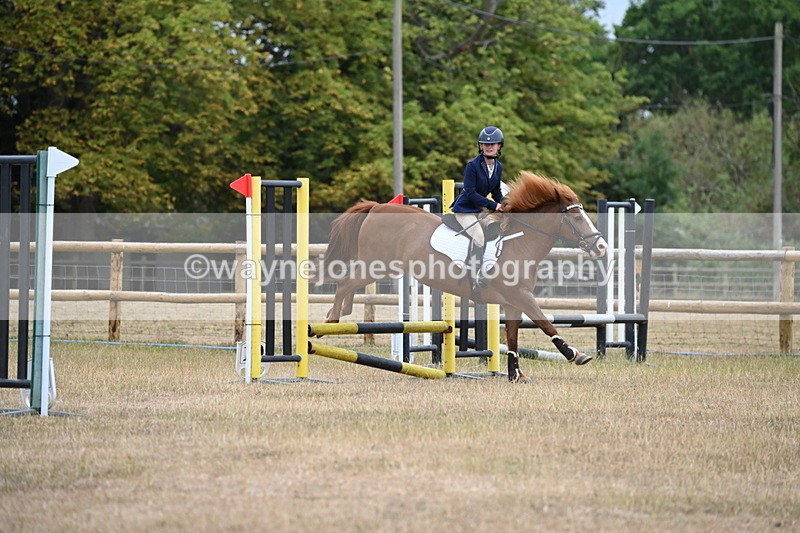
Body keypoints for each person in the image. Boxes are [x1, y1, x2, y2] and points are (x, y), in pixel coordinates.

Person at [450, 125, 505, 292]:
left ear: (499, 146)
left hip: (480, 211)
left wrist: (506, 204)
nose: (489, 147)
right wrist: (493, 205)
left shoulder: (498, 167)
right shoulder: (472, 166)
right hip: (465, 210)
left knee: (495, 230)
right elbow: (470, 192)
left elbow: (495, 191)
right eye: (485, 144)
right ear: (480, 146)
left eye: (493, 144)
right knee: (479, 237)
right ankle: (474, 275)